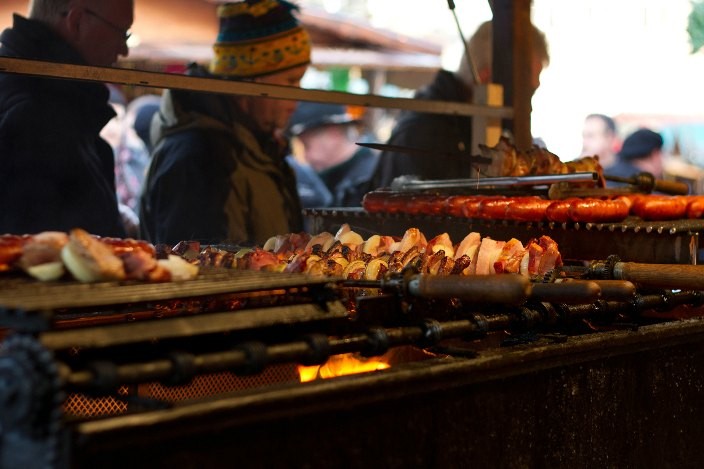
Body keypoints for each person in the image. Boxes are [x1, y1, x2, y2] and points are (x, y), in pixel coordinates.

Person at [140, 0, 311, 246]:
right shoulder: (198, 156)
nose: (299, 95)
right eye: (291, 81)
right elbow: (199, 269)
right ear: (251, 82)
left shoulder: (263, 149)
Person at [0, 0, 133, 237]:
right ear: (77, 21)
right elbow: (39, 257)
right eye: (122, 33)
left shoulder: (48, 101)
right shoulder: (36, 116)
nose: (124, 49)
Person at [371, 20, 550, 189]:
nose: (533, 91)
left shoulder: (476, 126)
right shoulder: (425, 133)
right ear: (487, 76)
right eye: (527, 89)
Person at [286, 102, 379, 207]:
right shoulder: (334, 178)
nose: (306, 156)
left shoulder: (368, 183)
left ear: (333, 134)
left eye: (306, 146)